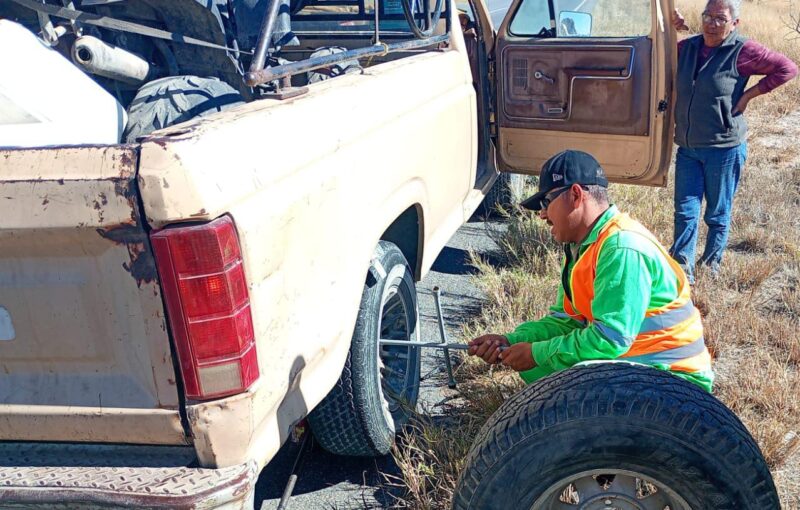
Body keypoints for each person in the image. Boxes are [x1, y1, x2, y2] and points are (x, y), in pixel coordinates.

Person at [468, 150, 714, 392]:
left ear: (575, 194)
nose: (542, 214)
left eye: (546, 202)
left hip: (674, 380)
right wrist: (512, 341)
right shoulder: (584, 247)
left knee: (562, 370)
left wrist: (536, 353)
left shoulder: (621, 248)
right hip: (642, 366)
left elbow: (610, 339)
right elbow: (568, 322)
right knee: (539, 366)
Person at [670, 0, 798, 283]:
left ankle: (711, 264)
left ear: (734, 24)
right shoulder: (687, 48)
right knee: (685, 210)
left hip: (724, 147)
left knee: (717, 212)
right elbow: (655, 52)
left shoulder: (743, 51)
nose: (712, 23)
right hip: (688, 147)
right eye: (707, 16)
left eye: (720, 18)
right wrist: (670, 27)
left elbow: (787, 68)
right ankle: (682, 270)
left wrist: (748, 95)